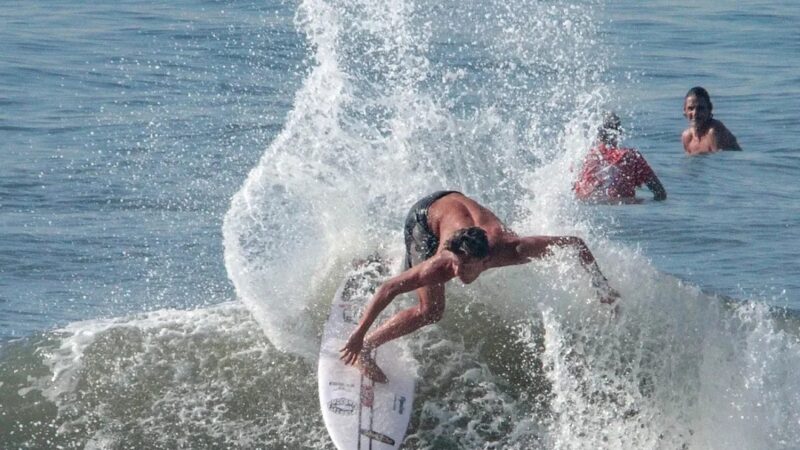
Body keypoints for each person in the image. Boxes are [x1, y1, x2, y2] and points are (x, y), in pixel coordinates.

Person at [340, 191, 619, 382]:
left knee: (419, 280)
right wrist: (358, 335)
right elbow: (389, 289)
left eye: (465, 267)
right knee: (431, 310)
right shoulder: (444, 262)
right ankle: (368, 347)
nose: (456, 273)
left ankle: (385, 261)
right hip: (425, 218)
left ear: (486, 261)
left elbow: (575, 244)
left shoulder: (515, 249)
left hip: (453, 207)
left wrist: (602, 288)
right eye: (455, 265)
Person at [574, 112, 667, 202]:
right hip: (623, 206)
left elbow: (573, 191)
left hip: (591, 204)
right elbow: (660, 193)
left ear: (597, 134)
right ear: (620, 132)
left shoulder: (584, 156)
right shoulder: (631, 156)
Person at [682, 86, 741, 154]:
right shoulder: (687, 137)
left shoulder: (713, 132)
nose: (695, 113)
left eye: (700, 108)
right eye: (690, 108)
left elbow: (720, 159)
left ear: (709, 109)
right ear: (685, 111)